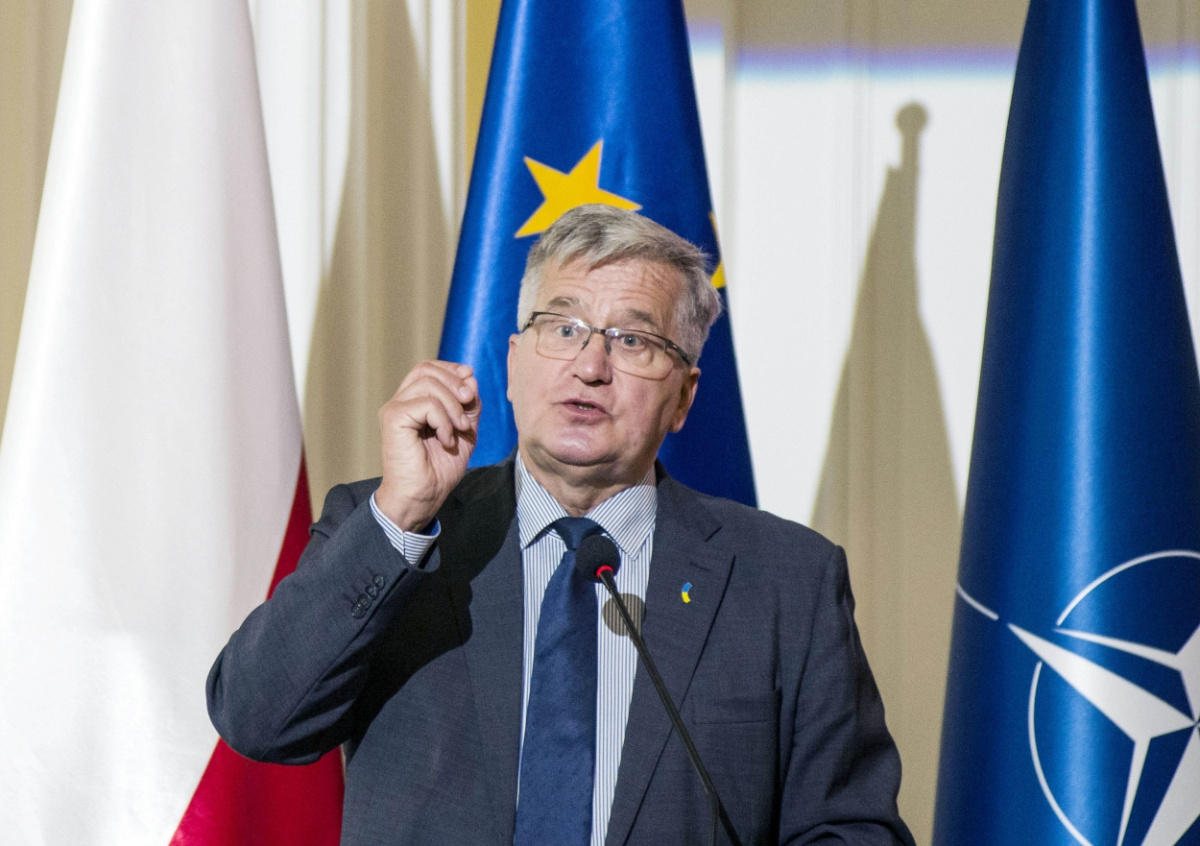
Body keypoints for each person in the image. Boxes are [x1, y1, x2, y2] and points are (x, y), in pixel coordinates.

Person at [207, 204, 915, 846]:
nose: (590, 366)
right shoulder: (394, 531)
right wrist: (400, 517)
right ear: (513, 365)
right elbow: (260, 720)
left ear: (683, 397)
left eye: (634, 340)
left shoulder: (786, 582)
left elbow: (852, 831)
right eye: (564, 328)